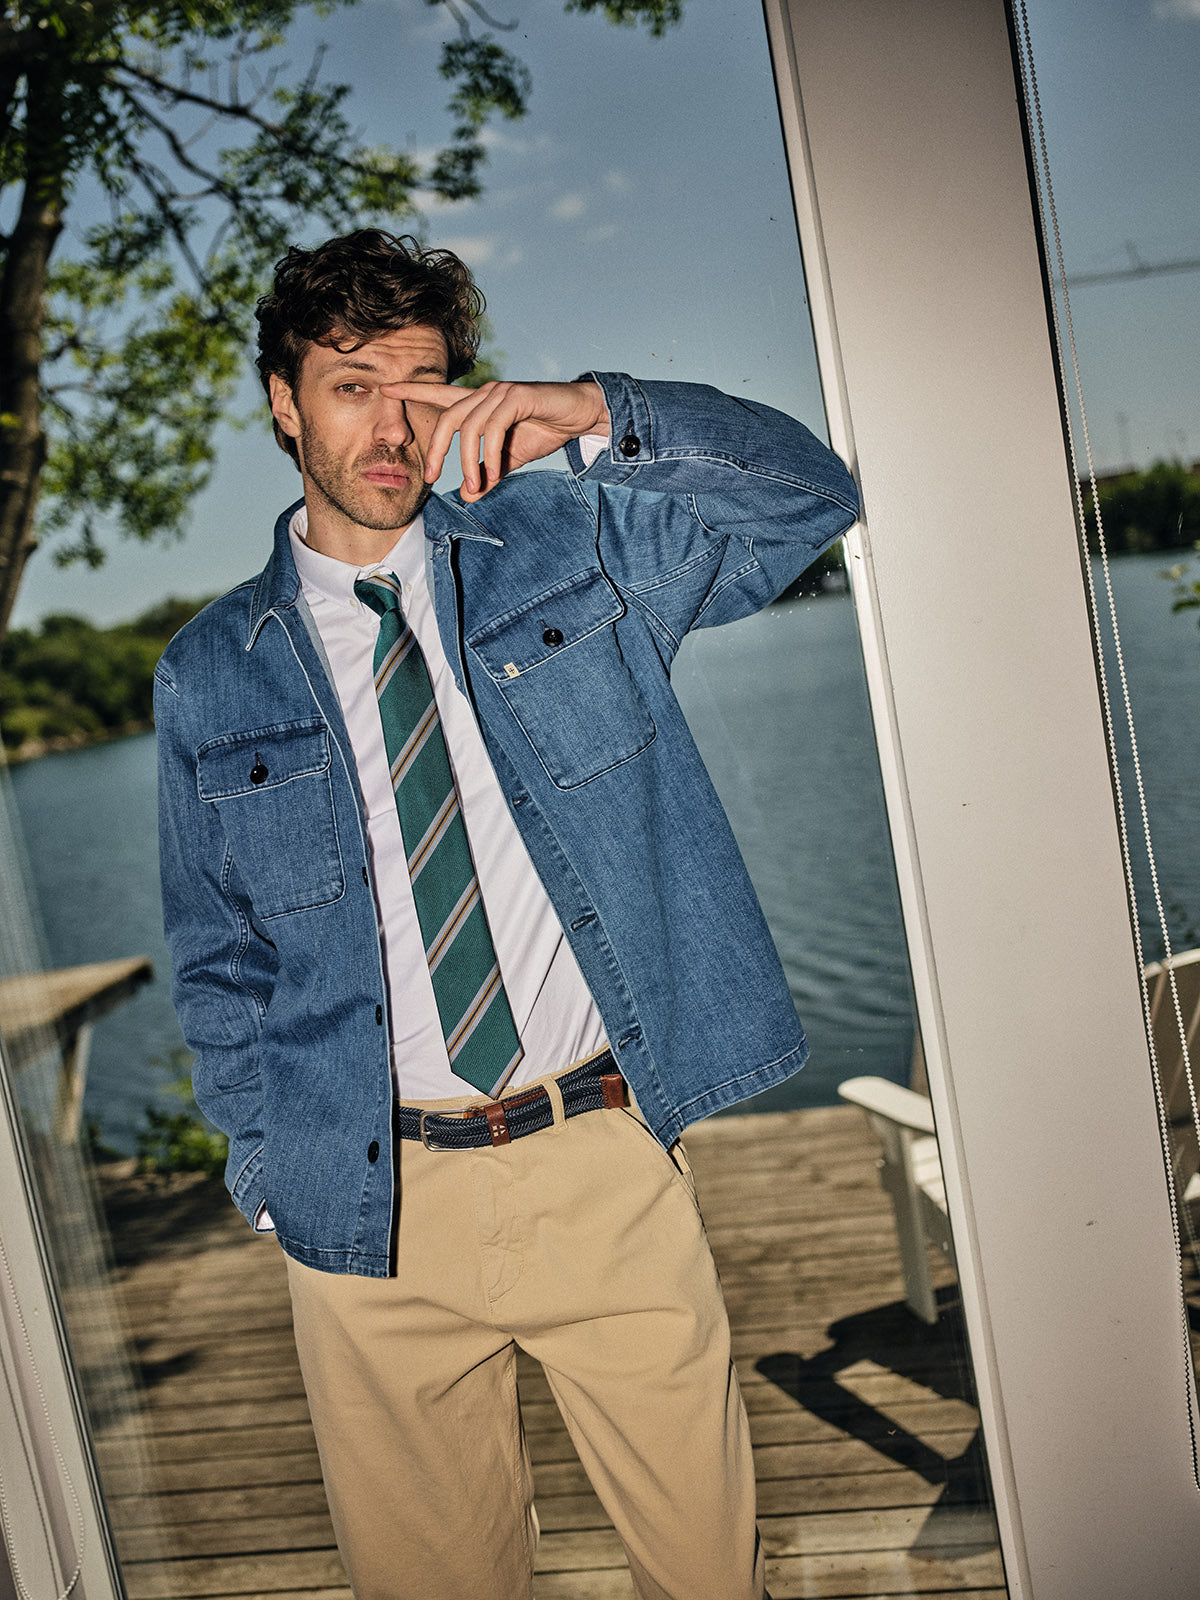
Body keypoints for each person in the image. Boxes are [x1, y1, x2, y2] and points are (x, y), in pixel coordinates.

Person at [155, 229, 858, 1600]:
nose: (392, 421)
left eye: (422, 383)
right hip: (371, 1211)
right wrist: (267, 1171)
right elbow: (215, 952)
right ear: (282, 402)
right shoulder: (207, 674)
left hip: (592, 1155)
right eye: (352, 383)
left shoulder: (571, 547)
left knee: (713, 1574)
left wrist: (596, 415)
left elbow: (806, 500)